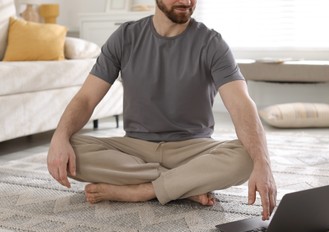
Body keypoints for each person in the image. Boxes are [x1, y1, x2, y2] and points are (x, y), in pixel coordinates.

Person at [47, 0, 277, 220]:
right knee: (68, 149)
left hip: (192, 149)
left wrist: (263, 162)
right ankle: (183, 186)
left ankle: (143, 190)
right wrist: (59, 137)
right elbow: (86, 99)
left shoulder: (211, 43)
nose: (186, 1)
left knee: (249, 155)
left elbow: (241, 104)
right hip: (134, 150)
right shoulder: (125, 37)